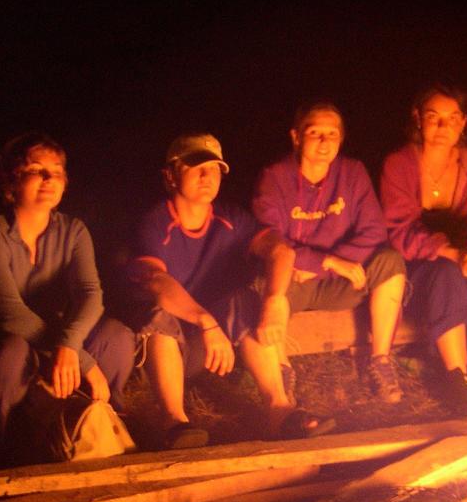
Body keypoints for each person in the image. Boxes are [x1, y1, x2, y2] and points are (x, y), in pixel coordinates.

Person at [130, 133, 333, 448]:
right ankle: (174, 422)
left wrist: (276, 301)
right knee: (158, 313)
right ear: (170, 175)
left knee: (246, 300)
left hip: (219, 344)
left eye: (214, 169)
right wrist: (205, 322)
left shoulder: (230, 218)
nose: (206, 176)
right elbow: (157, 282)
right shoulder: (154, 222)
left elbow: (280, 252)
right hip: (169, 349)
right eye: (196, 167)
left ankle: (279, 410)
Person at [0, 133, 135, 463]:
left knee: (117, 336)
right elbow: (8, 312)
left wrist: (69, 346)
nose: (48, 179)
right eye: (35, 169)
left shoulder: (73, 231)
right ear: (12, 181)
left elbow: (91, 295)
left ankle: (101, 419)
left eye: (56, 171)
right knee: (11, 350)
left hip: (63, 343)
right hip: (16, 343)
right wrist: (80, 359)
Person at [252, 102, 407, 403]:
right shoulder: (274, 177)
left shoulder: (352, 173)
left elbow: (375, 231)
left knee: (390, 262)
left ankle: (381, 362)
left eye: (332, 134)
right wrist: (328, 261)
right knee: (265, 280)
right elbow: (271, 240)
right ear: (296, 137)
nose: (324, 142)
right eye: (315, 133)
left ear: (341, 139)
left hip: (341, 281)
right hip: (296, 282)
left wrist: (330, 266)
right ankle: (280, 371)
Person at [380, 83, 467, 412]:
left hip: (458, 256)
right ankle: (459, 380)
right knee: (447, 274)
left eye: (453, 118)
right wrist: (452, 253)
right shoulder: (399, 164)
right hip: (415, 263)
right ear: (418, 118)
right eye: (434, 117)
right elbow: (398, 230)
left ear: (464, 123)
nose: (442, 127)